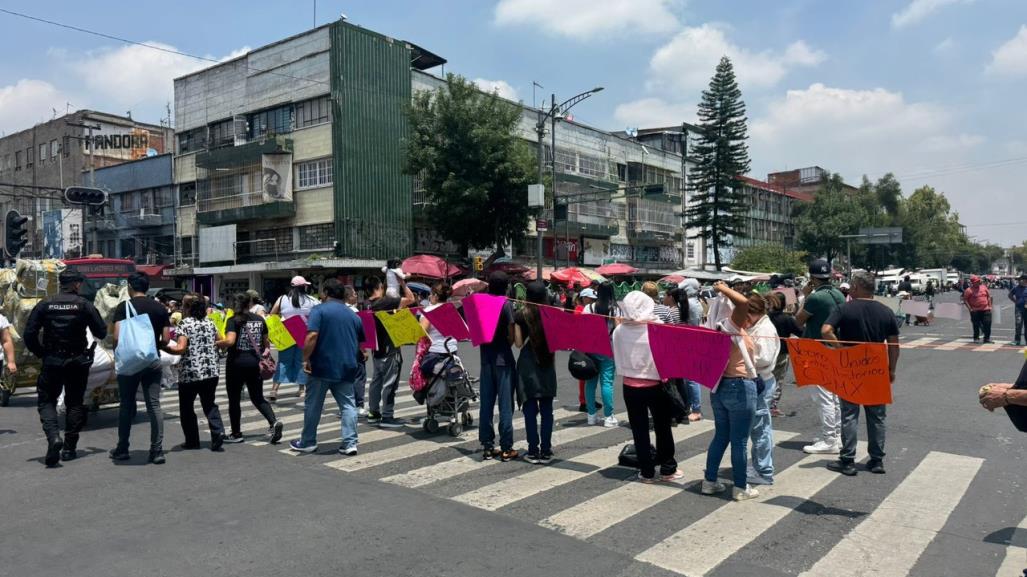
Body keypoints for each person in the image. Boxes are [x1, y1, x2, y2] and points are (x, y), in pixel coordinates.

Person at [23, 271, 107, 467]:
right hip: (77, 361)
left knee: (46, 401)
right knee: (75, 403)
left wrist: (42, 354)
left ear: (61, 284)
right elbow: (101, 332)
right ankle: (69, 448)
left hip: (52, 359)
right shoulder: (84, 305)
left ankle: (54, 438)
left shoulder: (45, 304)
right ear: (77, 285)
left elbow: (29, 334)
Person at [821, 271, 900, 476]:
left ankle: (847, 459)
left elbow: (826, 330)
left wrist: (841, 349)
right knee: (877, 416)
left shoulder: (844, 308)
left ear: (856, 287)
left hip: (851, 368)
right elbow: (894, 345)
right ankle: (876, 460)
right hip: (876, 368)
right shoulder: (886, 311)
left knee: (849, 414)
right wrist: (891, 369)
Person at [703, 282, 764, 501]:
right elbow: (743, 303)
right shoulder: (731, 325)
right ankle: (740, 486)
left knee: (721, 436)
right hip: (739, 385)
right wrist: (724, 288)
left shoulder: (716, 326)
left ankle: (709, 481)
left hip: (720, 386)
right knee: (739, 440)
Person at [290, 279, 365, 454]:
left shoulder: (319, 311)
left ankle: (308, 441)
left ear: (326, 293)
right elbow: (361, 343)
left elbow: (312, 336)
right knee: (348, 405)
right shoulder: (354, 315)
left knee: (313, 405)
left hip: (322, 366)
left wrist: (305, 358)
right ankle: (350, 443)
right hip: (347, 366)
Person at [612, 291, 680, 483]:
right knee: (662, 426)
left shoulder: (619, 330)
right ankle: (668, 468)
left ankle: (647, 471)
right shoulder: (657, 327)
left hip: (630, 386)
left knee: (639, 429)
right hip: (656, 384)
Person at [110, 272, 172, 464]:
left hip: (129, 363)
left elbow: (117, 337)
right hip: (152, 361)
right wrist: (152, 347)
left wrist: (119, 355)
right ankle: (157, 450)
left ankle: (122, 448)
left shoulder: (124, 307)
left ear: (130, 287)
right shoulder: (160, 308)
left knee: (127, 404)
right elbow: (167, 338)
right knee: (154, 405)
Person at [794, 259, 845, 455]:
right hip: (834, 346)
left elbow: (798, 321)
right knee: (834, 396)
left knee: (823, 397)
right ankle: (837, 435)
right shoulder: (838, 294)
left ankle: (829, 439)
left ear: (812, 278)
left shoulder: (815, 298)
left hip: (817, 349)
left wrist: (804, 296)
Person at [164, 294, 225, 452]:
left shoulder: (185, 324)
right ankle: (218, 432)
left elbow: (181, 348)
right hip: (211, 371)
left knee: (186, 408)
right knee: (209, 404)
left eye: (183, 305)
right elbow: (221, 340)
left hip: (190, 373)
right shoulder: (210, 322)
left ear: (188, 307)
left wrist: (163, 347)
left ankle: (192, 440)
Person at [221, 293, 283, 444]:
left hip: (236, 364)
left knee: (234, 399)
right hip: (255, 364)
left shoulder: (232, 320)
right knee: (257, 397)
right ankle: (273, 422)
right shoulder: (259, 319)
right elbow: (266, 342)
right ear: (249, 304)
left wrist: (217, 343)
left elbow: (230, 341)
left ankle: (236, 433)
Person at [514, 282, 557, 464]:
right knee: (547, 411)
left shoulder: (520, 315)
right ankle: (546, 451)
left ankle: (532, 450)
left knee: (530, 410)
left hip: (527, 365)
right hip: (547, 363)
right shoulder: (552, 314)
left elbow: (517, 343)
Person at [367, 276, 416, 429]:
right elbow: (410, 299)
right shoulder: (385, 302)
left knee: (376, 381)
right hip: (390, 350)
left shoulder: (369, 305)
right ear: (379, 286)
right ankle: (387, 416)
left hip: (377, 350)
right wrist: (402, 283)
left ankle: (374, 412)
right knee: (390, 383)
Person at [479, 271, 518, 461]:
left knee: (486, 404)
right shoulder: (506, 304)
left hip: (485, 358)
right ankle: (506, 447)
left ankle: (487, 445)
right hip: (503, 359)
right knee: (505, 405)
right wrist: (505, 344)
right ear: (506, 286)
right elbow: (511, 333)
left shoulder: (482, 302)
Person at [747, 295, 780, 485]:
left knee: (760, 427)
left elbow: (764, 358)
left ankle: (764, 470)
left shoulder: (765, 329)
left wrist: (742, 356)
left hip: (761, 380)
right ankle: (760, 465)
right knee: (758, 426)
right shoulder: (758, 326)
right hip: (759, 380)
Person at [268, 276, 319, 401]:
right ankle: (301, 389)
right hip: (304, 333)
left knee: (283, 361)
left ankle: (274, 390)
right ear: (304, 287)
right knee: (302, 360)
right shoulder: (312, 300)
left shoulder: (282, 299)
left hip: (286, 333)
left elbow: (272, 314)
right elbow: (318, 313)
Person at [582, 283, 619, 428]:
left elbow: (582, 327)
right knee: (607, 383)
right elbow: (618, 330)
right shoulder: (614, 309)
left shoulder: (588, 308)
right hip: (608, 349)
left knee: (590, 382)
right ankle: (608, 416)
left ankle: (591, 415)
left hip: (591, 348)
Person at [767, 292, 802, 418]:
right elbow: (800, 332)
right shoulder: (787, 319)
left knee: (764, 377)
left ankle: (762, 402)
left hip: (766, 352)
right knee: (777, 380)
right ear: (784, 304)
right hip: (781, 353)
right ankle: (772, 406)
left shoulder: (765, 318)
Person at [344, 286, 368, 416]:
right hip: (354, 348)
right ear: (348, 296)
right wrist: (363, 350)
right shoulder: (354, 311)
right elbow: (359, 333)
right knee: (359, 377)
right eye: (354, 294)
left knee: (347, 379)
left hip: (342, 349)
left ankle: (347, 405)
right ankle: (359, 405)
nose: (356, 296)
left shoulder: (340, 310)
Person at [963, 275, 993, 344]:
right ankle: (976, 338)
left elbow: (989, 297)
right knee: (976, 325)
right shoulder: (969, 290)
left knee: (987, 324)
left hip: (986, 309)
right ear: (973, 282)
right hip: (975, 310)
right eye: (977, 281)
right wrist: (970, 309)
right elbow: (965, 300)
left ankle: (987, 338)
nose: (979, 282)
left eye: (979, 281)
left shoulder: (984, 287)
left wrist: (990, 306)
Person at [1008, 274, 1027, 346]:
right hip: (1019, 309)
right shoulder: (1016, 288)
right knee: (1018, 324)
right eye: (1019, 279)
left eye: (1021, 279)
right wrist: (1015, 301)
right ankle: (1017, 340)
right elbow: (1010, 295)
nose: (1019, 281)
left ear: (1025, 280)